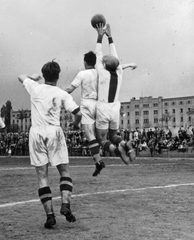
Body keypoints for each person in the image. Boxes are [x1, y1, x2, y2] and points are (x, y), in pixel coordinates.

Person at [18, 61, 82, 229]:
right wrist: (75, 123)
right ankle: (66, 204)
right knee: (64, 171)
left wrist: (33, 77)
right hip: (54, 132)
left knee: (42, 176)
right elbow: (78, 113)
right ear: (58, 76)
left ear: (44, 75)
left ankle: (50, 216)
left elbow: (20, 77)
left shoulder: (35, 87)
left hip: (37, 133)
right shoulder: (61, 93)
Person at [94, 23, 137, 164]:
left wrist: (99, 36)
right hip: (114, 107)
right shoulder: (119, 72)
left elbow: (98, 54)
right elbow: (115, 57)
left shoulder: (102, 72)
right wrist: (110, 37)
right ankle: (125, 144)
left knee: (101, 139)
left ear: (105, 65)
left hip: (103, 107)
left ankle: (118, 151)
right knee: (113, 136)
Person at [65, 51, 105, 177]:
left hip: (87, 104)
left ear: (85, 62)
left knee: (89, 135)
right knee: (97, 136)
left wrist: (57, 93)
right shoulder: (99, 73)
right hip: (99, 104)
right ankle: (98, 162)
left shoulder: (82, 74)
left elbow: (70, 89)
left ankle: (98, 161)